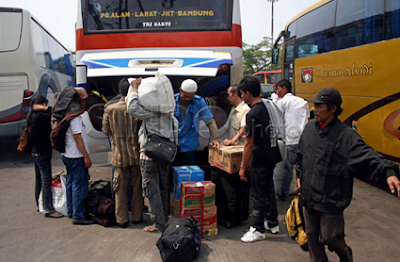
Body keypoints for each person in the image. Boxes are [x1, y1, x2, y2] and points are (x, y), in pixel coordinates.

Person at [297, 87, 400, 262]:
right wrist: (300, 176)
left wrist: (388, 171)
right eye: (314, 105)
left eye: (320, 106)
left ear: (333, 109)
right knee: (312, 238)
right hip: (309, 196)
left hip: (330, 198)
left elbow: (369, 156)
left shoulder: (346, 136)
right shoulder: (309, 128)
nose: (315, 109)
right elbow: (301, 155)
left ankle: (345, 254)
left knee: (331, 238)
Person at [127, 77, 178, 233]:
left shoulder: (151, 114)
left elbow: (131, 107)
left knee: (151, 190)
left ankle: (158, 224)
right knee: (163, 188)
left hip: (149, 156)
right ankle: (164, 219)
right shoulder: (171, 116)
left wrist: (134, 89)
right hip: (165, 156)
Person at [238, 77, 282, 243]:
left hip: (260, 157)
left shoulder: (253, 113)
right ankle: (272, 222)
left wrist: (243, 166)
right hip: (272, 153)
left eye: (242, 94)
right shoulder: (267, 105)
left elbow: (249, 143)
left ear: (248, 93)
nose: (242, 97)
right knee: (269, 189)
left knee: (257, 194)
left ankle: (257, 229)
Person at [102, 78, 144, 228]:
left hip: (119, 156)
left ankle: (122, 219)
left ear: (118, 91)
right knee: (137, 188)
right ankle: (138, 216)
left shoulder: (110, 109)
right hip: (136, 154)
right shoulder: (137, 109)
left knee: (120, 189)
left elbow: (106, 130)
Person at [61, 92, 93, 225]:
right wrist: (86, 156)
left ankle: (71, 211)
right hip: (76, 156)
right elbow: (77, 138)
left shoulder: (65, 115)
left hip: (67, 155)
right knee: (79, 185)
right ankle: (78, 215)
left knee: (71, 182)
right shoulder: (75, 119)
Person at [274, 79, 309, 201]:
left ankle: (283, 194)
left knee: (289, 167)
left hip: (291, 139)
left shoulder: (282, 102)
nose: (276, 92)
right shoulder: (302, 101)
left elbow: (278, 121)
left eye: (278, 89)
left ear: (284, 89)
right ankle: (304, 191)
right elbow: (307, 120)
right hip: (304, 139)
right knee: (303, 167)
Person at [30, 95, 63, 218]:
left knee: (39, 179)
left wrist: (37, 107)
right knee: (46, 179)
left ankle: (39, 205)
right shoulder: (40, 116)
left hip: (36, 151)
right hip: (42, 152)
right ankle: (48, 208)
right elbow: (51, 112)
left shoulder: (32, 115)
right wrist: (44, 108)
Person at [174, 79, 221, 165]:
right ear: (180, 90)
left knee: (189, 172)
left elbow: (210, 121)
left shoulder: (199, 102)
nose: (188, 99)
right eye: (185, 96)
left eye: (190, 97)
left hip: (189, 143)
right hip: (173, 143)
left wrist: (216, 138)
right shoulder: (172, 101)